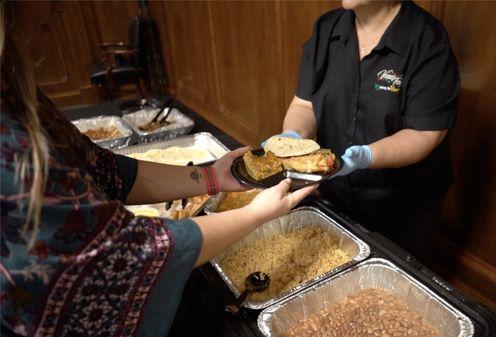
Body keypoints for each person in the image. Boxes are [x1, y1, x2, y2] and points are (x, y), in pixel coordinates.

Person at [0, 3, 316, 337]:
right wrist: (256, 214)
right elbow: (130, 256)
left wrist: (212, 176)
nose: (61, 8)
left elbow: (105, 169)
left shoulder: (13, 90)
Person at [267, 0, 459, 259]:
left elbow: (425, 133)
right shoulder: (327, 28)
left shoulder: (427, 39)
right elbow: (305, 104)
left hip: (401, 208)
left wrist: (366, 156)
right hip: (333, 192)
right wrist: (293, 138)